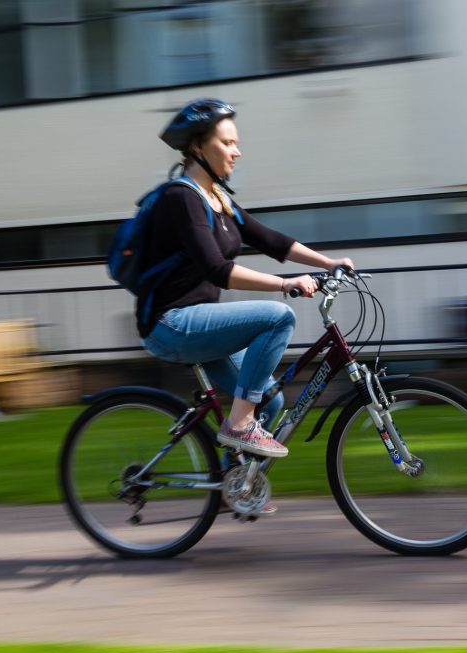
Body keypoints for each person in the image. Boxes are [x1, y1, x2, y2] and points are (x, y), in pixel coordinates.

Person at [139, 97, 353, 461]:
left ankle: (230, 489)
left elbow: (268, 239)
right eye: (227, 142)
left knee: (268, 399)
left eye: (236, 143)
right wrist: (285, 284)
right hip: (171, 323)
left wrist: (328, 262)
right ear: (197, 146)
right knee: (278, 317)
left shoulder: (217, 199)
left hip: (199, 323)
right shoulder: (182, 198)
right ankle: (239, 425)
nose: (237, 152)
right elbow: (217, 270)